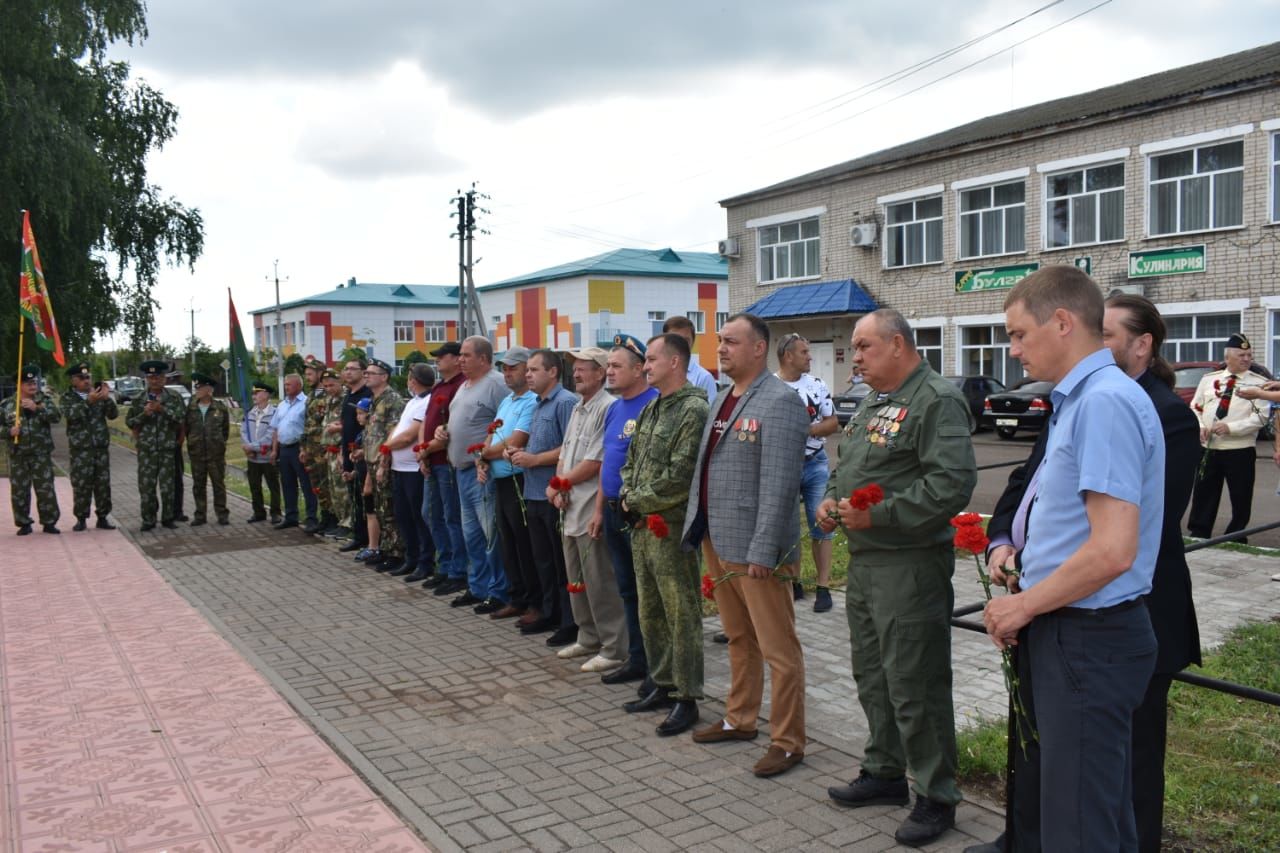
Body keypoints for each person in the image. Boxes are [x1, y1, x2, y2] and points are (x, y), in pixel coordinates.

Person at [967, 293, 1202, 853]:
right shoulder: (1087, 396)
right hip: (1077, 628)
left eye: (1020, 333)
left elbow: (1113, 550)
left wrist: (1023, 604)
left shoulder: (1103, 401)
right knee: (1094, 816)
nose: (1012, 348)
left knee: (1079, 827)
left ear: (1064, 323)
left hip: (1088, 634)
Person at [817, 308, 976, 847]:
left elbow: (950, 485)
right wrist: (829, 500)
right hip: (867, 563)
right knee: (874, 677)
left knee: (917, 685)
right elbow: (848, 465)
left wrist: (879, 516)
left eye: (863, 347)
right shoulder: (876, 400)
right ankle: (885, 772)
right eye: (856, 349)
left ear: (899, 345)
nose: (854, 358)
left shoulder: (936, 400)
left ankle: (937, 796)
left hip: (909, 565)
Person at [684, 313, 810, 776]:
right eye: (720, 340)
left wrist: (763, 550)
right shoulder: (721, 399)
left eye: (732, 341)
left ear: (759, 348)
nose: (721, 348)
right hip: (718, 538)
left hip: (755, 547)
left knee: (779, 648)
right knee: (739, 637)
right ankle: (740, 718)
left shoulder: (780, 402)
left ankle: (789, 741)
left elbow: (780, 485)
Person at [618, 332, 709, 737]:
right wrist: (627, 494)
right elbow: (631, 460)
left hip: (670, 529)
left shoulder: (693, 409)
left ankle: (687, 698)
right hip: (641, 525)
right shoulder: (654, 407)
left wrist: (634, 500)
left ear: (675, 362)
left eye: (652, 359)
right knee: (649, 610)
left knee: (681, 613)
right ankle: (662, 682)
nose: (646, 365)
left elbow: (680, 476)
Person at [554, 347, 627, 673]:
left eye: (585, 368)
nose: (578, 373)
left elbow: (596, 462)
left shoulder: (607, 408)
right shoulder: (578, 408)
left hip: (589, 507)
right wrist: (557, 486)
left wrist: (560, 484)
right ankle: (588, 636)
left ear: (600, 373)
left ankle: (613, 646)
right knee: (577, 578)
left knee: (600, 580)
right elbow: (566, 452)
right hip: (569, 507)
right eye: (576, 368)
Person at [595, 334, 658, 686]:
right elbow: (609, 460)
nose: (610, 372)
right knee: (627, 589)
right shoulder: (614, 408)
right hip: (613, 509)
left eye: (617, 366)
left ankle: (655, 665)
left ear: (639, 370)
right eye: (608, 366)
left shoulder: (654, 404)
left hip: (640, 513)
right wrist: (599, 511)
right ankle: (637, 658)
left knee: (647, 592)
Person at [509, 348, 577, 640]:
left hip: (553, 494)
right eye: (527, 370)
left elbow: (570, 448)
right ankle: (549, 613)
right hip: (533, 491)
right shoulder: (537, 404)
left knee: (561, 562)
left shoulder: (565, 402)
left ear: (553, 372)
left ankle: (568, 621)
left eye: (534, 370)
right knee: (543, 560)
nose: (528, 375)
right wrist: (521, 453)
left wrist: (534, 460)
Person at [442, 336, 509, 612]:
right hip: (460, 470)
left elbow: (506, 422)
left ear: (483, 358)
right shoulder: (464, 386)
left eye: (466, 355)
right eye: (460, 355)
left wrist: (486, 456)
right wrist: (442, 429)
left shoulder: (495, 384)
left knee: (490, 534)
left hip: (483, 471)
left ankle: (498, 591)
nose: (460, 360)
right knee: (472, 535)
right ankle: (478, 586)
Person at [775, 332, 839, 611]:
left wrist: (805, 431)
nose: (810, 357)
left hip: (815, 463)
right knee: (788, 528)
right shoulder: (769, 387)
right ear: (788, 356)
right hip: (783, 466)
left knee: (822, 523)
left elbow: (832, 422)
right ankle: (794, 583)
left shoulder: (816, 384)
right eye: (804, 352)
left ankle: (823, 587)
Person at [1186, 333, 1268, 542]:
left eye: (1249, 355)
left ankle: (1236, 535)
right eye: (1241, 355)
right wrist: (1201, 426)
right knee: (1204, 492)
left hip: (1239, 449)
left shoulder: (1260, 384)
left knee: (1240, 495)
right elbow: (1195, 407)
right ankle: (1199, 532)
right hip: (1209, 448)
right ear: (1228, 357)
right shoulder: (1209, 380)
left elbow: (1261, 418)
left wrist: (1230, 428)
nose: (1247, 359)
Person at [481, 347, 539, 619]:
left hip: (519, 480)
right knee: (509, 543)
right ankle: (517, 596)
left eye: (513, 367)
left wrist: (484, 453)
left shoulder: (531, 401)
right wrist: (483, 458)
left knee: (525, 544)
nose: (507, 372)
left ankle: (532, 601)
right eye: (504, 368)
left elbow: (516, 442)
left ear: (528, 369)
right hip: (501, 481)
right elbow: (492, 437)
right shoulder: (508, 401)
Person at [419, 342, 468, 595]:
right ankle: (446, 565)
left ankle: (457, 571)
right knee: (430, 514)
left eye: (440, 357)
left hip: (446, 462)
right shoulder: (440, 386)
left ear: (455, 358)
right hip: (431, 461)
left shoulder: (460, 386)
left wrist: (426, 450)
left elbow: (451, 430)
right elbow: (427, 422)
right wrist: (422, 452)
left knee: (451, 518)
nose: (436, 361)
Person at [385, 363, 435, 581]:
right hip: (399, 468)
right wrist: (387, 446)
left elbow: (409, 436)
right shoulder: (413, 402)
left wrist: (386, 447)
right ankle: (411, 558)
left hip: (414, 470)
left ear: (413, 381)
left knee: (418, 517)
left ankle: (425, 562)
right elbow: (398, 429)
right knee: (404, 516)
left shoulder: (427, 402)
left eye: (409, 378)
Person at [2, 364, 61, 534]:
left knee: (45, 489)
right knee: (20, 490)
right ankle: (23, 523)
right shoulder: (7, 405)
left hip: (40, 453)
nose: (33, 386)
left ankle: (49, 522)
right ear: (18, 385)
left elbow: (56, 417)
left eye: (34, 383)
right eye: (28, 384)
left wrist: (37, 409)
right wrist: (8, 431)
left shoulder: (44, 401)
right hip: (18, 454)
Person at [127, 360, 185, 531]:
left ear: (164, 378)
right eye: (151, 377)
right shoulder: (138, 399)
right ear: (146, 378)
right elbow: (130, 422)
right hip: (147, 450)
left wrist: (162, 410)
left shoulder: (174, 397)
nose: (155, 380)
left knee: (168, 486)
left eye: (159, 376)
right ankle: (148, 519)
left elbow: (181, 419)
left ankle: (168, 518)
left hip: (167, 449)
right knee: (147, 487)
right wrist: (144, 415)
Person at [360, 359, 405, 570]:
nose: (366, 375)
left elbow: (392, 435)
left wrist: (383, 464)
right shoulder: (375, 399)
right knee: (379, 508)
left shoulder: (392, 400)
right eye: (366, 372)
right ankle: (386, 550)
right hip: (371, 462)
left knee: (389, 510)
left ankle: (397, 553)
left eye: (371, 373)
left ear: (384, 376)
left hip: (385, 463)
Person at [61, 361, 117, 530]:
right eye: (82, 378)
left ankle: (103, 517)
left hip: (100, 449)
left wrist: (107, 399)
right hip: (81, 450)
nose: (86, 381)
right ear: (73, 380)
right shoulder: (67, 398)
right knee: (81, 485)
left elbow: (113, 415)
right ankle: (81, 519)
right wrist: (88, 403)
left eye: (88, 377)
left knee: (102, 485)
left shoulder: (99, 396)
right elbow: (70, 415)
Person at [184, 372, 231, 526]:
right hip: (197, 453)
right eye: (196, 387)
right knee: (198, 485)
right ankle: (200, 515)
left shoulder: (220, 408)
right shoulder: (190, 408)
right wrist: (192, 443)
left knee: (218, 484)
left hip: (215, 454)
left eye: (200, 387)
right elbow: (186, 429)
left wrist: (219, 444)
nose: (197, 390)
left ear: (209, 389)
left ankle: (222, 514)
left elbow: (225, 431)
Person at [271, 372, 315, 531]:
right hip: (284, 449)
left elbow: (311, 428)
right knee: (287, 483)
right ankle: (291, 516)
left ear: (298, 385)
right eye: (285, 385)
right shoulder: (282, 405)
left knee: (306, 484)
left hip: (299, 448)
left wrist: (306, 449)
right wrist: (274, 450)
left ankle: (311, 518)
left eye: (289, 384)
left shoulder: (307, 402)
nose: (286, 387)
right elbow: (275, 428)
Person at [337, 358, 372, 551]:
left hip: (364, 453)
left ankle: (370, 540)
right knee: (354, 497)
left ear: (363, 372)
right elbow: (346, 425)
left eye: (353, 368)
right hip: (348, 452)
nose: (348, 372)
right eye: (346, 369)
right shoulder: (348, 395)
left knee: (366, 498)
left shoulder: (367, 395)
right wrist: (342, 452)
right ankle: (359, 536)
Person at [300, 357, 334, 535]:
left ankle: (332, 519)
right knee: (317, 485)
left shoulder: (328, 395)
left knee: (326, 484)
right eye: (306, 374)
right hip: (311, 448)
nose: (307, 377)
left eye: (310, 374)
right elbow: (307, 424)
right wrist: (303, 448)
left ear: (320, 374)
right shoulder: (312, 395)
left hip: (323, 448)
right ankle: (325, 516)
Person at [241, 380, 282, 524]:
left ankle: (276, 513)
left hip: (267, 456)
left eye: (257, 393)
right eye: (253, 393)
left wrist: (252, 447)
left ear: (265, 395)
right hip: (252, 458)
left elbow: (271, 435)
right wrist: (247, 447)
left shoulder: (274, 413)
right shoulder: (249, 412)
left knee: (273, 486)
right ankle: (258, 512)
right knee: (254, 486)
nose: (254, 396)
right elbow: (243, 431)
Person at [319, 369, 349, 537]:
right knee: (334, 489)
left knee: (342, 489)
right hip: (330, 450)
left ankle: (347, 522)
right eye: (326, 386)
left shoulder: (345, 399)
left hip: (340, 450)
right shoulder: (330, 400)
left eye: (332, 385)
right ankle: (340, 520)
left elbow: (350, 424)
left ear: (340, 382)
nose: (329, 388)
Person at [663, 315, 717, 401]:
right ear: (664, 341)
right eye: (675, 339)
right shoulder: (655, 374)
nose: (680, 344)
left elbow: (710, 413)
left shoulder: (703, 378)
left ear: (693, 342)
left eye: (686, 340)